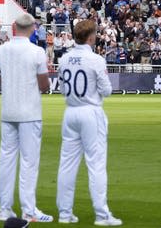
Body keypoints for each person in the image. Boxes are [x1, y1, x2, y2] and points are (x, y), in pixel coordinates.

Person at [56, 19, 122, 226]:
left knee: (67, 164)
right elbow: (107, 90)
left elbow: (62, 88)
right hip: (91, 111)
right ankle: (102, 215)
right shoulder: (95, 60)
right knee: (96, 165)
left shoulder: (64, 59)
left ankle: (65, 213)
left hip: (71, 111)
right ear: (91, 37)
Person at [0, 13, 52, 222]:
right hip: (29, 112)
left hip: (9, 110)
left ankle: (4, 208)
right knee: (29, 162)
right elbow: (44, 84)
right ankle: (28, 209)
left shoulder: (1, 50)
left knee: (6, 160)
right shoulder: (37, 52)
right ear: (32, 29)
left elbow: (0, 79)